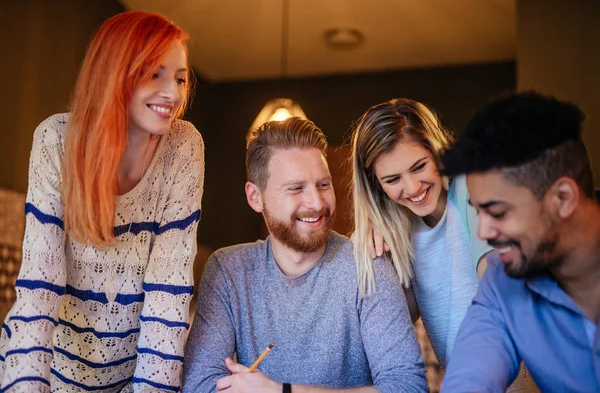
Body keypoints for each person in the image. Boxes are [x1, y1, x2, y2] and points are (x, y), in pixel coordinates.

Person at [0, 11, 204, 392]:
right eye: (154, 73)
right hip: (48, 373)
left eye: (179, 78)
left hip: (129, 380)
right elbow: (39, 290)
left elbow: (169, 298)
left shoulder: (183, 147)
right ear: (116, 73)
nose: (173, 93)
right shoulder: (56, 141)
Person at [182, 117, 427, 393]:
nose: (316, 202)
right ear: (255, 197)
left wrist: (283, 391)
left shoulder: (367, 264)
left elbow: (408, 387)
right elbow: (199, 386)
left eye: (323, 185)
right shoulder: (228, 270)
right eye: (296, 188)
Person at [350, 98, 536, 391]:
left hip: (514, 371)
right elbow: (397, 323)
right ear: (377, 186)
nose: (412, 188)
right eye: (392, 179)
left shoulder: (471, 186)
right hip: (467, 378)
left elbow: (496, 293)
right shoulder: (400, 227)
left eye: (419, 166)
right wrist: (373, 254)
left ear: (436, 151)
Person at [440, 91, 600, 392]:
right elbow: (469, 379)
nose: (482, 233)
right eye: (478, 213)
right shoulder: (500, 282)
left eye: (498, 212)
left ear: (562, 198)